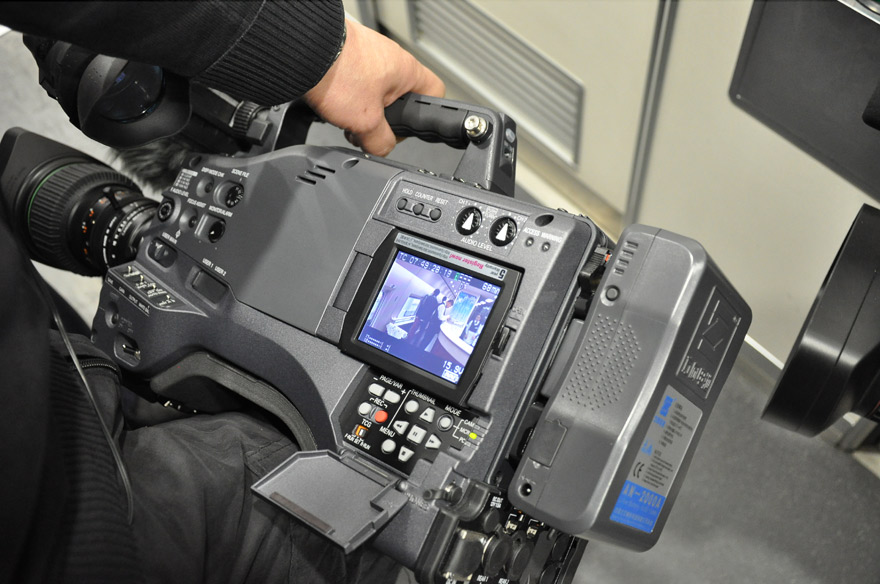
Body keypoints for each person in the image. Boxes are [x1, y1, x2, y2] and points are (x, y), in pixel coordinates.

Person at [0, 2, 445, 582]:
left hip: (50, 384)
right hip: (87, 522)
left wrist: (312, 49)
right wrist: (322, 52)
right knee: (365, 529)